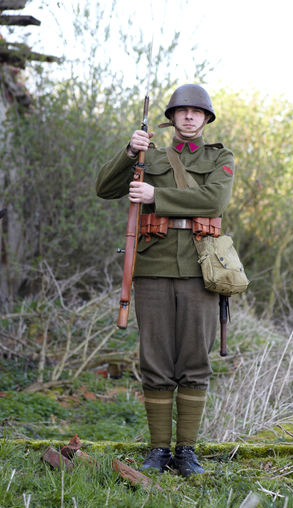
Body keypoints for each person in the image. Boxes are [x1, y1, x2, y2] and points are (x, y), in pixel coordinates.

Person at [96, 84, 234, 477]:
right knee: (155, 360)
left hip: (200, 268)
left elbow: (214, 202)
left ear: (206, 118)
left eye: (196, 112)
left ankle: (186, 451)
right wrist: (127, 152)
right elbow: (104, 189)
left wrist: (156, 193)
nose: (189, 117)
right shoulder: (147, 155)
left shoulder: (220, 156)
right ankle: (158, 451)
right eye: (182, 111)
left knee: (194, 360)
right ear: (171, 118)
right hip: (152, 266)